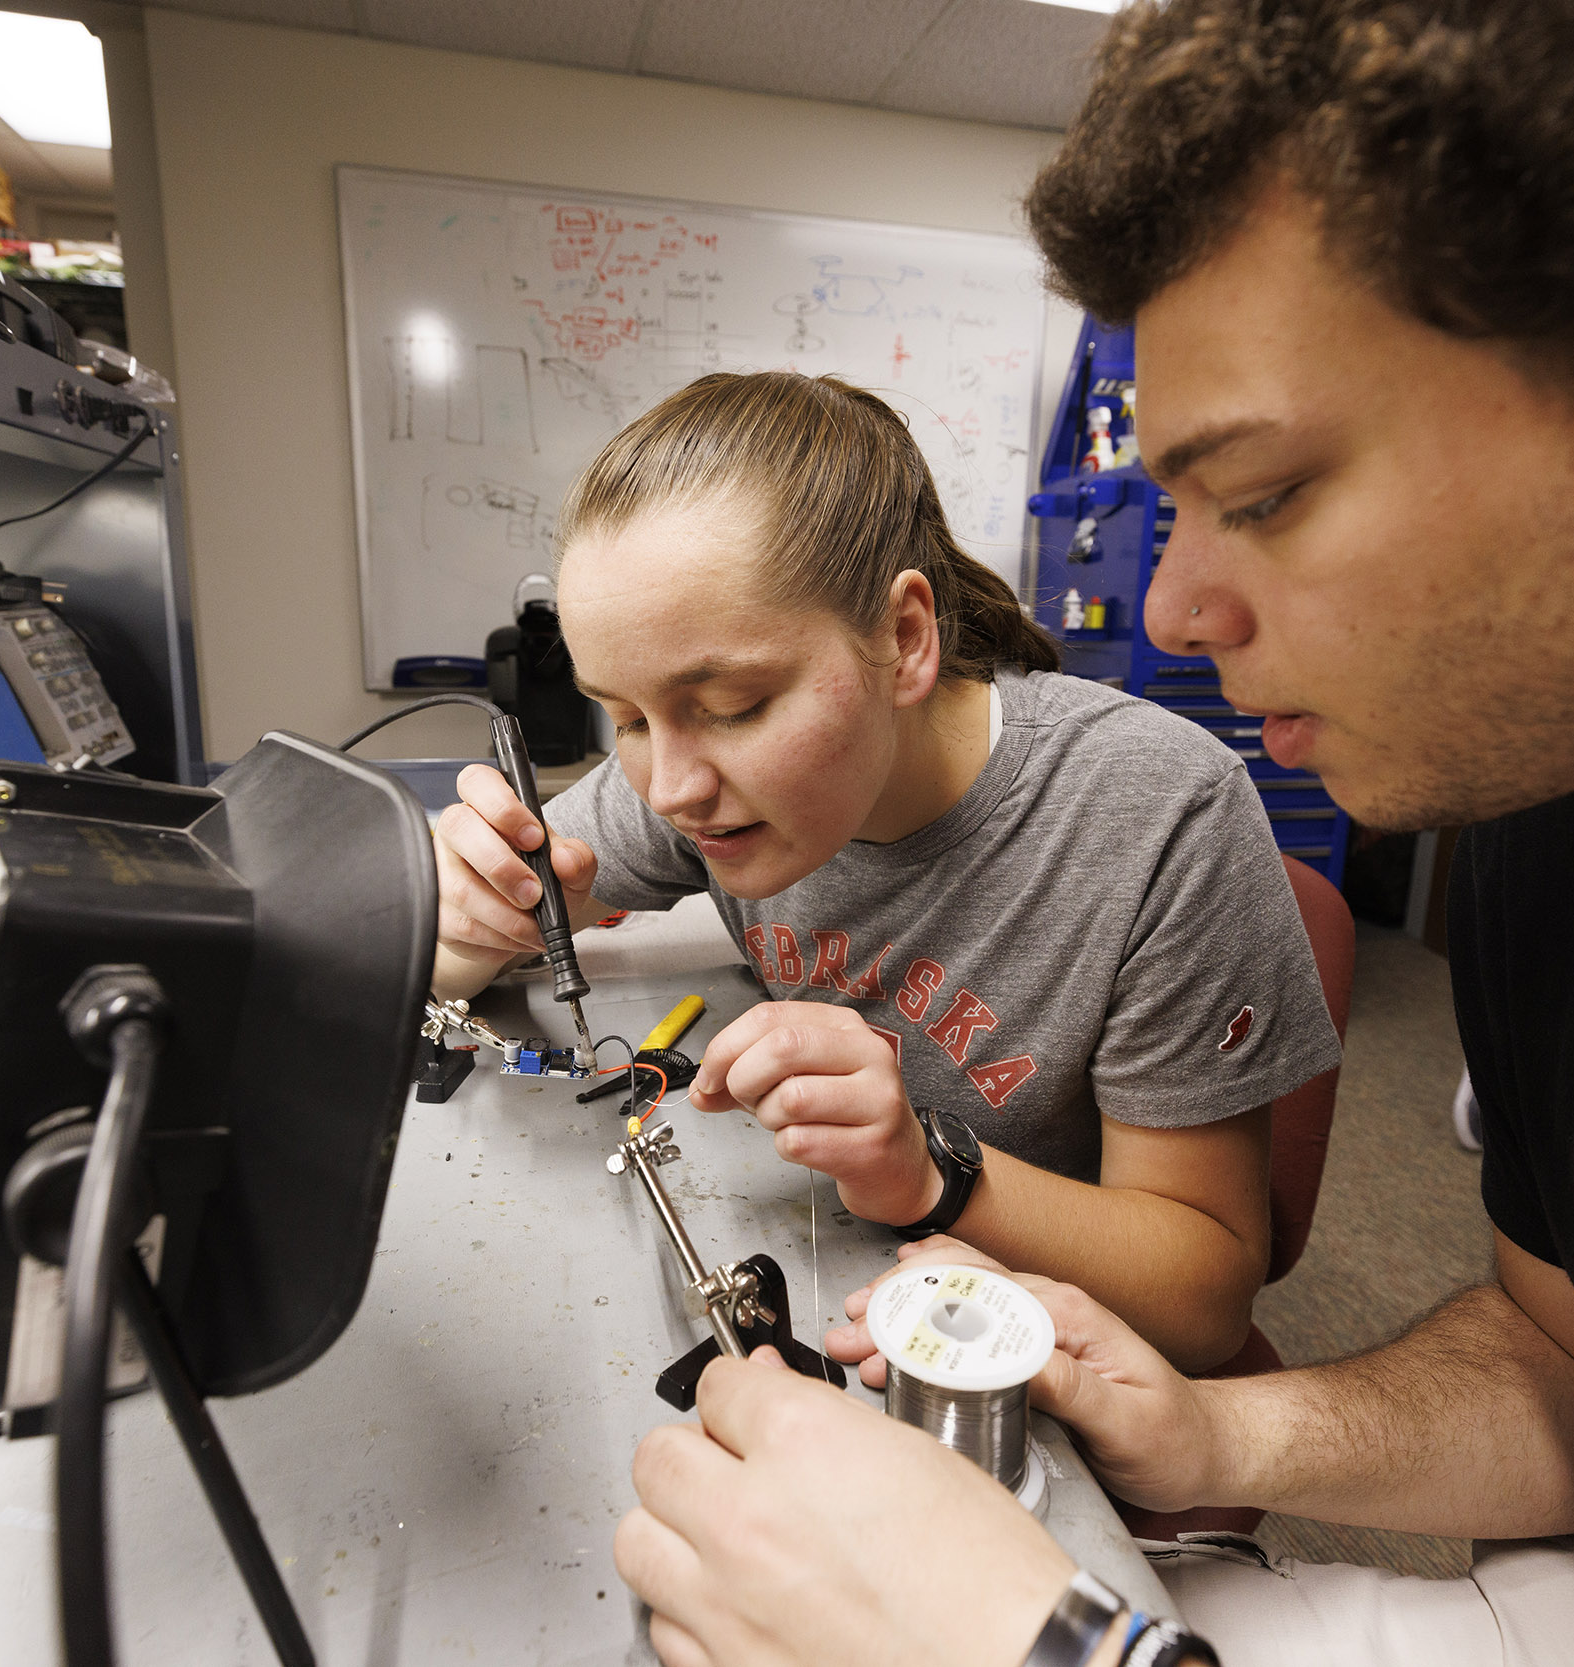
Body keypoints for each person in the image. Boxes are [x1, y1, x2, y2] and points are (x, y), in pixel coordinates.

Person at [611, 3, 1574, 1665]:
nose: (1175, 604)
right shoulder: (1563, 824)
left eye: (1264, 494)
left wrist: (1068, 1656)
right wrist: (1223, 1436)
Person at [430, 370, 1341, 1373]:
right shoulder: (699, 780)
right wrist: (464, 912)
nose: (672, 786)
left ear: (905, 639)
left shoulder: (1156, 813)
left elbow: (1206, 1301)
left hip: (1029, 1342)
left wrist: (926, 1169)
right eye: (628, 716)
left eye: (732, 703)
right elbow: (461, 941)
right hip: (838, 1272)